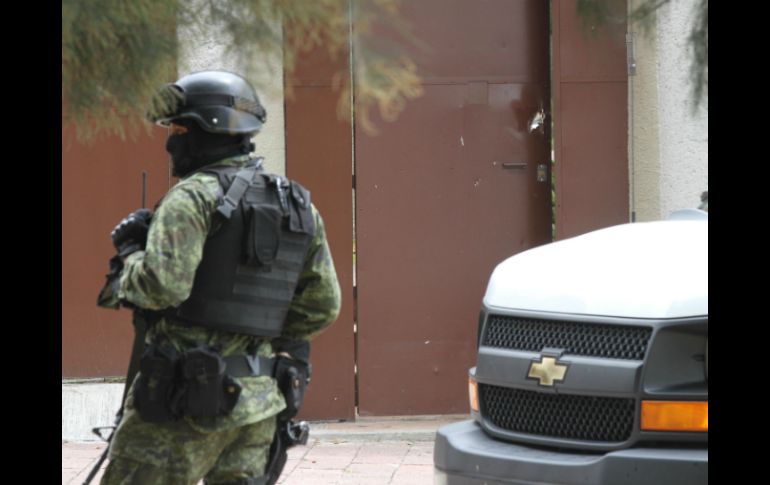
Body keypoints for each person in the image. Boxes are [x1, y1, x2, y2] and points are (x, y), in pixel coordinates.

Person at [97, 70, 341, 485]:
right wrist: (255, 338)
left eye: (178, 128)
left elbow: (162, 286)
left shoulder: (192, 197)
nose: (169, 141)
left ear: (206, 130)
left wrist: (130, 255)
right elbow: (323, 306)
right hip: (258, 406)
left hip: (180, 405)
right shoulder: (298, 205)